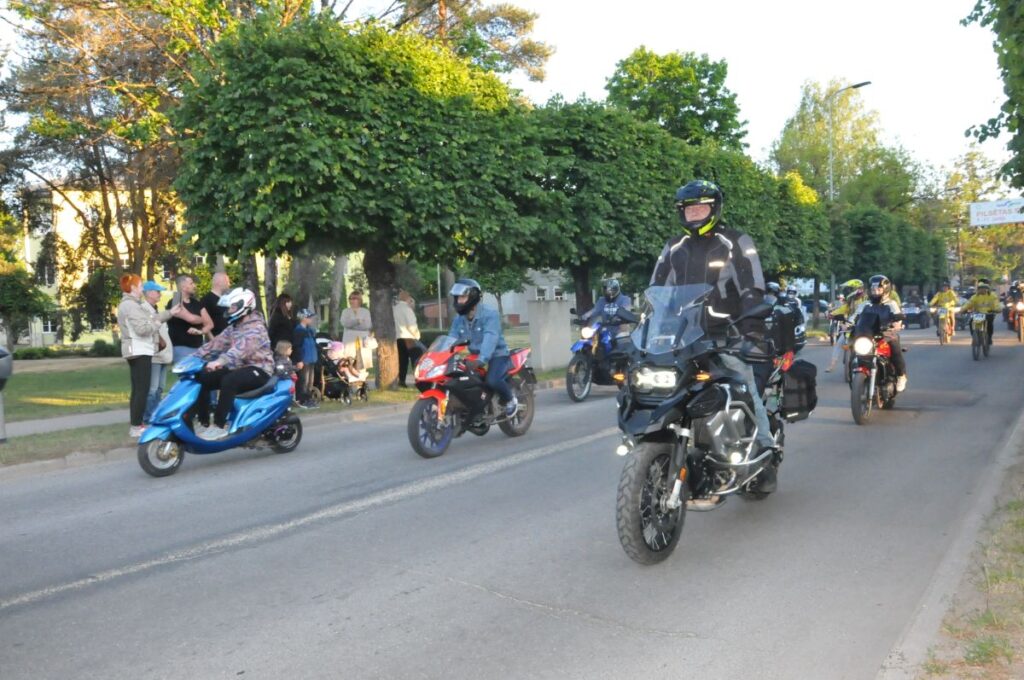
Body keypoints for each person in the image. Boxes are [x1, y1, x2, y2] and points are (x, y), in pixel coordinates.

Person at [650, 179, 778, 489]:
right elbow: (657, 291)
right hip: (682, 338)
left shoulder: (735, 241)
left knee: (745, 385)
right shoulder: (673, 247)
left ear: (714, 209)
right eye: (689, 209)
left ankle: (765, 452)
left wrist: (751, 326)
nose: (695, 213)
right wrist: (649, 326)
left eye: (701, 208)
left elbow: (752, 288)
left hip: (725, 336)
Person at [193, 288, 274, 440]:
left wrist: (219, 361)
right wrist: (192, 357)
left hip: (260, 370)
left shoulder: (256, 328)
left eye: (233, 307)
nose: (229, 310)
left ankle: (220, 425)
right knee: (202, 377)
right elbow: (216, 343)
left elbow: (241, 350)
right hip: (238, 368)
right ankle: (203, 422)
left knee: (229, 380)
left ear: (245, 306)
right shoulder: (234, 327)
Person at [447, 278, 518, 417]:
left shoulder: (490, 314)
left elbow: (490, 337)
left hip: (497, 355)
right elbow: (451, 339)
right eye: (457, 297)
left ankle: (510, 400)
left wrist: (481, 359)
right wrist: (442, 356)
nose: (459, 301)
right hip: (474, 356)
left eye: (462, 297)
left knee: (492, 380)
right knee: (458, 380)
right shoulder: (459, 319)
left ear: (473, 297)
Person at [117, 274, 175, 438]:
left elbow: (151, 318)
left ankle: (136, 424)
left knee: (138, 390)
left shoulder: (132, 305)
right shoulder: (131, 306)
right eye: (140, 285)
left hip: (138, 350)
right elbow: (143, 329)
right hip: (139, 350)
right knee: (141, 390)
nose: (142, 288)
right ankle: (137, 426)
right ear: (133, 288)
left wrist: (169, 313)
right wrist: (156, 324)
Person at [853, 274, 908, 392]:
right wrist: (847, 323)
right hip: (868, 335)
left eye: (878, 289)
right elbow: (855, 316)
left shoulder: (891, 304)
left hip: (886, 334)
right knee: (855, 350)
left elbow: (897, 316)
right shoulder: (865, 304)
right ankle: (855, 376)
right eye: (873, 289)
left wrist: (897, 324)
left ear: (886, 290)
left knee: (895, 347)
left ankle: (901, 376)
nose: (875, 291)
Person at [142, 281, 174, 425]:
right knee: (152, 388)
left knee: (160, 388)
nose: (160, 294)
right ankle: (148, 416)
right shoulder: (144, 310)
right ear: (149, 293)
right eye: (157, 291)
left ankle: (156, 413)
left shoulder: (155, 310)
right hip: (153, 355)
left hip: (162, 355)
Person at [166, 274, 213, 366]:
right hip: (181, 348)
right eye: (191, 283)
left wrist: (201, 331)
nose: (194, 286)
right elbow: (191, 319)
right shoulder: (175, 301)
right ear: (183, 286)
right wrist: (203, 319)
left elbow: (210, 324)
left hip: (198, 348)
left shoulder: (196, 303)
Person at [393, 290, 423, 387]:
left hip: (398, 337)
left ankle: (401, 380)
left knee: (402, 361)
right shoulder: (407, 310)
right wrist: (417, 336)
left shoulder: (394, 309)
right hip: (409, 338)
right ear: (409, 299)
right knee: (416, 359)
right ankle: (419, 380)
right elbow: (411, 325)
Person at [291, 308, 320, 408]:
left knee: (310, 381)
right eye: (309, 317)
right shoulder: (298, 331)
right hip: (304, 360)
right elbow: (297, 347)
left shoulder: (309, 330)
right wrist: (299, 360)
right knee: (303, 381)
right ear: (303, 318)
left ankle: (308, 398)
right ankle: (302, 400)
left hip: (311, 359)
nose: (311, 319)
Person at [961, 279, 1001, 344]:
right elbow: (968, 304)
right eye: (980, 288)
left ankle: (989, 338)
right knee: (971, 322)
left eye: (984, 288)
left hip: (989, 314)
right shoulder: (975, 297)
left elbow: (996, 304)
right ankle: (974, 337)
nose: (982, 290)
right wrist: (962, 310)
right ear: (978, 289)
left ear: (987, 289)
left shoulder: (992, 296)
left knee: (989, 325)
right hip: (978, 314)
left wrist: (997, 309)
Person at [341, 290, 374, 370]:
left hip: (362, 339)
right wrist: (358, 321)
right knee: (349, 360)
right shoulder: (345, 311)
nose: (351, 300)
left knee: (362, 360)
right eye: (350, 298)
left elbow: (367, 325)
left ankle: (361, 376)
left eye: (354, 298)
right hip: (349, 339)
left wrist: (352, 325)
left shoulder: (365, 311)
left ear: (359, 300)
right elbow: (345, 323)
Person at [201, 271, 232, 339]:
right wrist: (213, 340)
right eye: (227, 281)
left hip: (231, 338)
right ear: (219, 282)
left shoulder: (226, 298)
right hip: (217, 339)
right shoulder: (206, 300)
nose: (229, 284)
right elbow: (204, 323)